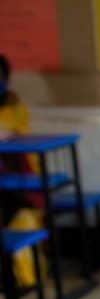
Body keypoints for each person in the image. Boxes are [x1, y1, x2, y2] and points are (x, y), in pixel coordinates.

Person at [0, 54, 44, 287]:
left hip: (16, 180)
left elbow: (16, 136)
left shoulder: (14, 108)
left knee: (20, 216)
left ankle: (19, 277)